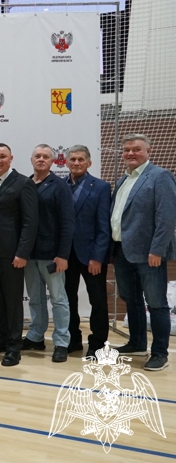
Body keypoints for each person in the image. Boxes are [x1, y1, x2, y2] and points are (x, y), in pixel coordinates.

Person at [111, 133, 176, 371]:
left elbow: (167, 217)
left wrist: (158, 249)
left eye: (136, 149)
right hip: (122, 251)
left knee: (156, 303)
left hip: (149, 253)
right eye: (127, 150)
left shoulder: (160, 176)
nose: (130, 153)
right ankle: (137, 343)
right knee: (132, 299)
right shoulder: (123, 179)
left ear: (149, 151)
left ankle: (160, 353)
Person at [0, 143, 38, 367]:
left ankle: (14, 347)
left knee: (12, 303)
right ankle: (3, 338)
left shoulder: (23, 183)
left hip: (12, 255)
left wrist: (22, 253)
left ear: (11, 158)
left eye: (3, 156)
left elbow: (30, 222)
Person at [22, 145, 75, 363]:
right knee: (35, 299)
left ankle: (61, 342)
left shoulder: (59, 186)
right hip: (29, 255)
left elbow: (68, 222)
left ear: (52, 161)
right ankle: (35, 336)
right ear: (31, 159)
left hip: (52, 256)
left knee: (58, 300)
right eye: (38, 156)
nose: (41, 159)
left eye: (46, 157)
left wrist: (63, 255)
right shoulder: (25, 184)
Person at [64, 145, 111, 357]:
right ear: (66, 162)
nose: (76, 163)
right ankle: (73, 339)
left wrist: (97, 257)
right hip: (66, 255)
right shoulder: (60, 186)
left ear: (89, 163)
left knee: (97, 300)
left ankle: (98, 344)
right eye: (73, 159)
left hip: (91, 255)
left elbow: (104, 226)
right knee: (67, 299)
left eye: (80, 159)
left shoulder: (101, 187)